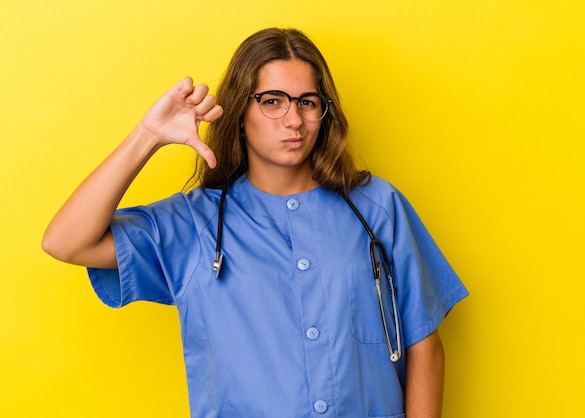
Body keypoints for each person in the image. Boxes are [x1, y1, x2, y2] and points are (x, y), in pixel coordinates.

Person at [42, 27, 468, 418]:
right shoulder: (194, 224)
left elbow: (423, 343)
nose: (294, 120)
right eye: (272, 101)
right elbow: (65, 242)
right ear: (240, 112)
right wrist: (148, 135)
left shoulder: (378, 208)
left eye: (308, 102)